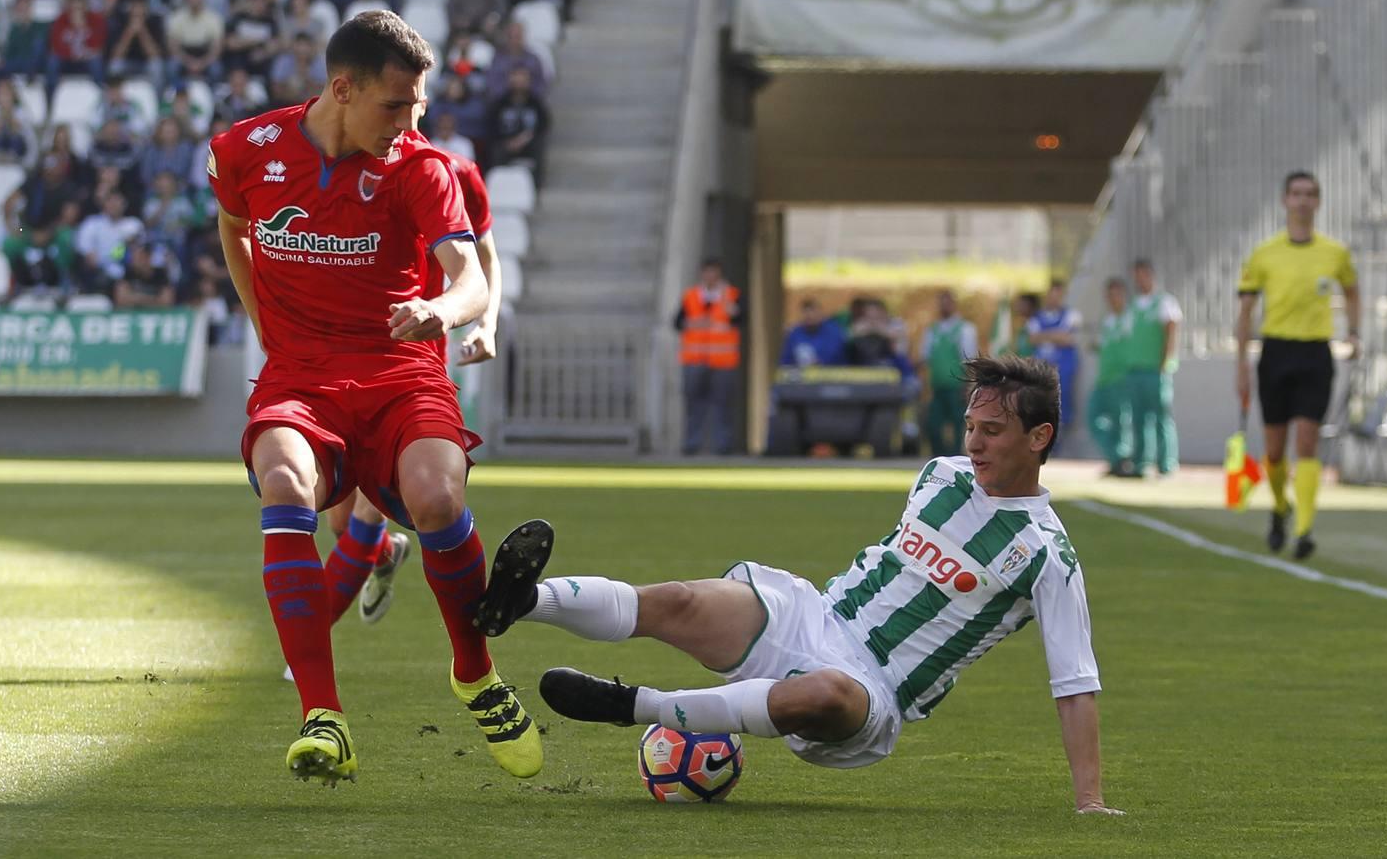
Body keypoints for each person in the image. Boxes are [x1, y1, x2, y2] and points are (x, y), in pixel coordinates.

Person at [474, 355, 1122, 816]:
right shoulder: (940, 475)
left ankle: (631, 705)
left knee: (825, 692)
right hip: (810, 617)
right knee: (678, 600)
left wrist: (1088, 802)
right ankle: (522, 602)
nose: (973, 445)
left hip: (873, 691)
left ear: (1038, 438)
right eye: (971, 428)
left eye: (993, 432)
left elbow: (1075, 684)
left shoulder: (1046, 556)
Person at [208, 9, 542, 785]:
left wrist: (445, 312)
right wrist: (264, 321)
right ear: (341, 89)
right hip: (300, 378)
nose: (409, 122)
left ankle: (474, 671)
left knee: (433, 497)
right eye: (396, 106)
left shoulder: (420, 168)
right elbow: (233, 229)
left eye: (417, 106)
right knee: (288, 487)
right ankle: (323, 716)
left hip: (400, 374)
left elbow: (468, 273)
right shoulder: (243, 151)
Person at [309, 149, 514, 642]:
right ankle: (385, 553)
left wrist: (486, 326)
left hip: (410, 369)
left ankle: (304, 653)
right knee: (339, 520)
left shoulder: (456, 172)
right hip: (346, 362)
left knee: (364, 512)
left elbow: (485, 257)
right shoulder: (344, 169)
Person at [1236, 171, 1359, 561]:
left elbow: (1352, 291)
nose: (1303, 201)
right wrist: (1241, 362)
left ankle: (1304, 529)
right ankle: (1279, 507)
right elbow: (1246, 309)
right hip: (1275, 353)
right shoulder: (1265, 253)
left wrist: (1354, 333)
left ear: (1318, 202)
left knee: (1307, 441)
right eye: (1296, 194)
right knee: (1274, 450)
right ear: (1285, 200)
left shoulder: (1335, 253)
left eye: (1310, 194)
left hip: (1315, 354)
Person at [674, 259, 742, 455]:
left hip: (723, 362)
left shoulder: (731, 295)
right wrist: (693, 323)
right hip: (695, 360)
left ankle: (724, 445)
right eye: (707, 273)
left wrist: (731, 310)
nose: (710, 277)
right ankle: (691, 443)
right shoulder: (691, 296)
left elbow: (740, 318)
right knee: (694, 405)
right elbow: (677, 322)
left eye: (714, 273)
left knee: (723, 405)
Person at [1127, 259, 1182, 477]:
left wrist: (1165, 362)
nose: (1140, 280)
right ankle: (1141, 463)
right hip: (1135, 369)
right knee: (1139, 419)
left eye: (1143, 275)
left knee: (1161, 417)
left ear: (1151, 275)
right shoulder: (1132, 305)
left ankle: (1167, 463)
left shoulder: (1164, 302)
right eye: (1136, 275)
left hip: (1155, 370)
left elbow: (1171, 332)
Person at [918, 290, 977, 457]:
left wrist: (968, 385)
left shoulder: (964, 329)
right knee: (933, 424)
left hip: (956, 386)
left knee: (959, 425)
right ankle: (939, 456)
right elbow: (925, 358)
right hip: (937, 387)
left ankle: (956, 458)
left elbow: (969, 359)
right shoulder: (932, 330)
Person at [1088, 277, 1134, 477]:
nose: (1113, 298)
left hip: (1121, 378)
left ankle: (1122, 461)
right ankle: (1116, 456)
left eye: (1117, 294)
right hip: (1103, 378)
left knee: (1121, 420)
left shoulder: (1131, 318)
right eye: (1110, 294)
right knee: (1093, 417)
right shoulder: (1108, 321)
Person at [1028, 281, 1081, 437]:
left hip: (1063, 369)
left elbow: (1069, 339)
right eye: (1051, 295)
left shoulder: (1072, 315)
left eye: (1058, 296)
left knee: (1063, 405)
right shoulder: (1036, 317)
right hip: (1042, 369)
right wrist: (1057, 335)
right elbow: (1033, 339)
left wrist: (1045, 335)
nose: (1054, 299)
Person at [778, 297, 844, 368]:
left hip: (833, 375)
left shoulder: (833, 332)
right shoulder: (794, 335)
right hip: (802, 376)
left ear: (820, 313)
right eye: (806, 312)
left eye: (813, 311)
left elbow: (838, 356)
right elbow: (785, 361)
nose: (810, 316)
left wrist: (820, 363)